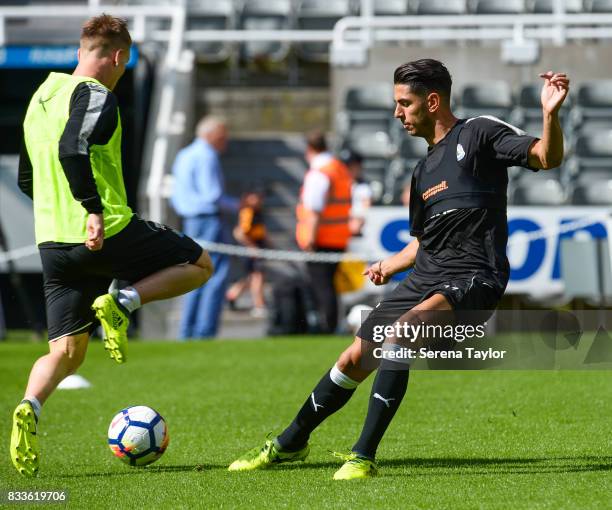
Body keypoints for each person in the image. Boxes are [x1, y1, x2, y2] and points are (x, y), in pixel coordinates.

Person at [228, 59, 568, 480]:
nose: (397, 113)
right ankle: (289, 443)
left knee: (400, 336)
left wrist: (550, 115)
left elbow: (545, 157)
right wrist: (389, 265)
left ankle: (362, 457)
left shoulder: (478, 132)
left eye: (404, 104)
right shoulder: (422, 170)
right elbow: (423, 242)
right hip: (425, 277)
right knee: (352, 358)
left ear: (432, 100)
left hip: (474, 276)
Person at [11, 14, 213, 477]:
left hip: (51, 242)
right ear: (119, 57)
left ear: (82, 50)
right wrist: (92, 210)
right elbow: (72, 148)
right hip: (102, 230)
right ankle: (123, 300)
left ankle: (30, 406)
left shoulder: (41, 96)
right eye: (124, 64)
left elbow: (28, 176)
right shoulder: (97, 94)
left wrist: (59, 212)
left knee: (67, 352)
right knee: (201, 263)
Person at [170, 115, 239, 339]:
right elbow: (213, 195)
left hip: (190, 220)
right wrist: (241, 206)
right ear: (211, 135)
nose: (225, 142)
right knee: (214, 275)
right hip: (208, 219)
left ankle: (187, 331)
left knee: (192, 275)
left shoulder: (184, 154)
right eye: (222, 137)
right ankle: (205, 332)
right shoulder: (207, 156)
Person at [295, 131, 353, 334]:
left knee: (321, 286)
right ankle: (331, 324)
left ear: (309, 149)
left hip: (321, 238)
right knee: (328, 285)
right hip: (338, 237)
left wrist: (309, 239)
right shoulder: (339, 168)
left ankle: (326, 327)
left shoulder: (320, 172)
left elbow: (314, 209)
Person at [225, 190, 267, 318]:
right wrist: (252, 247)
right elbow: (239, 232)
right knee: (257, 276)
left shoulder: (258, 212)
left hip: (258, 247)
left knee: (251, 278)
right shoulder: (247, 212)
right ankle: (259, 305)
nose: (257, 201)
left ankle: (232, 294)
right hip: (249, 249)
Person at [341, 150, 372, 236]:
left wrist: (357, 222)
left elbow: (365, 210)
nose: (347, 169)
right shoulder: (336, 186)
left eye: (351, 166)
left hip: (356, 230)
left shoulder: (364, 188)